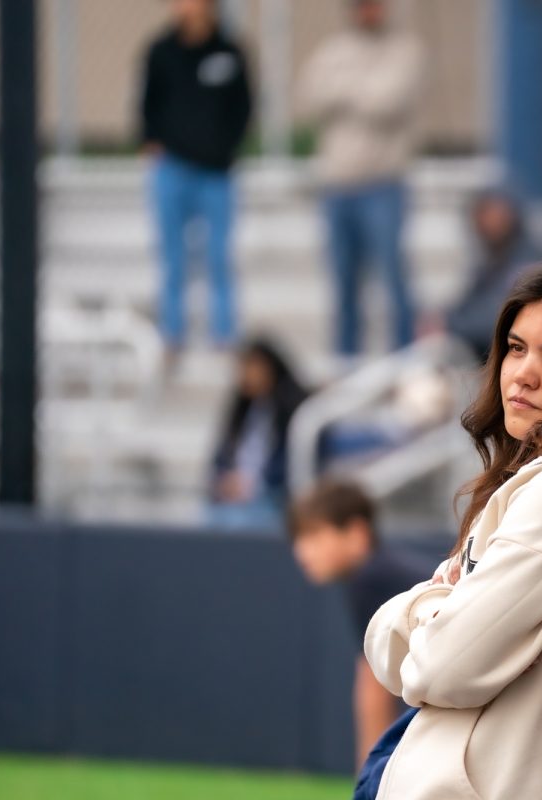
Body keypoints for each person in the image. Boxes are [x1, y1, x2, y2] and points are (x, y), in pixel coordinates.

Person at [363, 258, 542, 799]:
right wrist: (443, 613)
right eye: (517, 348)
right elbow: (391, 653)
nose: (522, 373)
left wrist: (428, 608)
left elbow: (437, 669)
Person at [296, 0, 425, 356]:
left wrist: (343, 91)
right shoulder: (333, 49)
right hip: (337, 187)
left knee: (393, 281)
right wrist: (358, 91)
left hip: (383, 184)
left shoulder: (405, 49)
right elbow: (309, 98)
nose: (367, 12)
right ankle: (346, 362)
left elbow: (388, 102)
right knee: (343, 285)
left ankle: (406, 360)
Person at [286, 481, 434, 771]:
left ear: (356, 533)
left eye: (314, 536)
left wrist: (369, 773)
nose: (301, 552)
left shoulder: (371, 578)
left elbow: (373, 684)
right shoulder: (377, 572)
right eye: (298, 539)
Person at [140, 0, 252, 360]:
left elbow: (243, 106)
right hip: (172, 169)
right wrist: (153, 142)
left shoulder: (229, 52)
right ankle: (172, 333)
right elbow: (148, 104)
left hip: (216, 173)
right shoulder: (160, 50)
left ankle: (224, 333)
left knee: (218, 255)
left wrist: (226, 147)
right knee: (173, 256)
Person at [208, 337, 307, 527]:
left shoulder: (292, 410)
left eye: (252, 367)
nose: (245, 375)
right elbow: (219, 458)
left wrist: (255, 485)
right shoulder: (241, 411)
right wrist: (225, 480)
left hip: (272, 498)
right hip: (235, 499)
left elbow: (289, 464)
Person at [441, 188, 534, 361]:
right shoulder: (489, 259)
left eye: (494, 213)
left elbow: (497, 321)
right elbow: (465, 303)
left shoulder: (526, 263)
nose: (488, 222)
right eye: (482, 214)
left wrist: (449, 325)